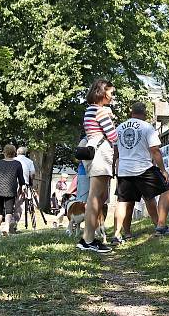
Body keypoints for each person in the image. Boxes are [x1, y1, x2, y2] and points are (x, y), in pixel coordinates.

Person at [77, 78, 117, 253]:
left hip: (94, 155)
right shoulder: (100, 112)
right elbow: (113, 136)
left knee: (96, 198)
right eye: (111, 92)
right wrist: (110, 118)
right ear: (102, 92)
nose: (112, 96)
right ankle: (88, 240)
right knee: (95, 198)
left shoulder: (90, 110)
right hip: (101, 156)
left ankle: (88, 238)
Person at [0, 144, 25, 235]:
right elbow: (21, 179)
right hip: (10, 190)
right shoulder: (17, 164)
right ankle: (6, 227)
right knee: (9, 211)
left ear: (4, 152)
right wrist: (22, 187)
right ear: (14, 153)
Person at [13, 146, 37, 229]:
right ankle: (14, 223)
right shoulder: (29, 161)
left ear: (17, 152)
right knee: (20, 205)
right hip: (23, 185)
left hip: (12, 184)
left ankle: (10, 223)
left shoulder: (13, 160)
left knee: (11, 204)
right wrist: (31, 180)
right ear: (25, 153)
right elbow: (33, 174)